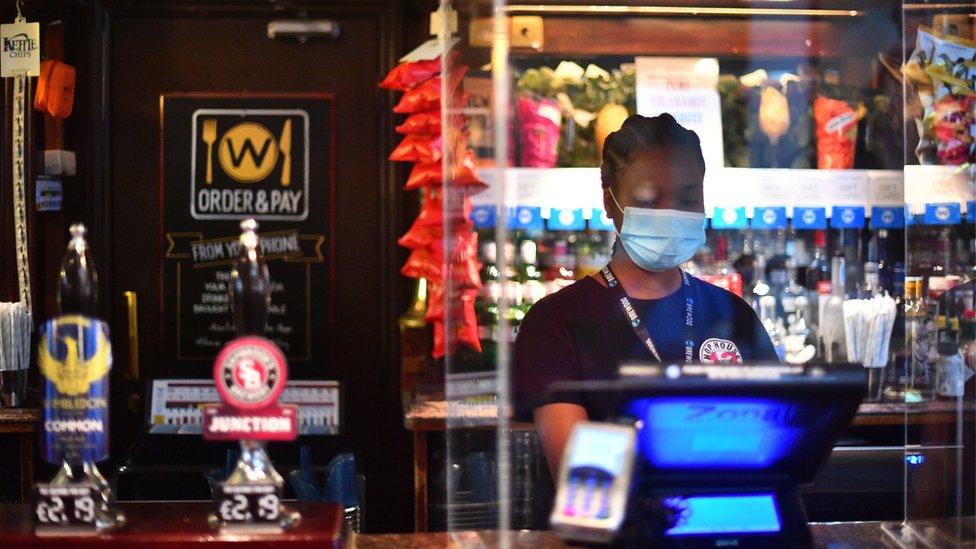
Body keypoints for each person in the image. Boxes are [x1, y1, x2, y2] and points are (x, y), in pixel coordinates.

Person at [513, 113, 779, 479]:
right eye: (649, 199)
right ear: (610, 203)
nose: (670, 213)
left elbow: (777, 440)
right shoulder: (555, 322)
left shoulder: (734, 314)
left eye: (687, 199)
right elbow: (581, 477)